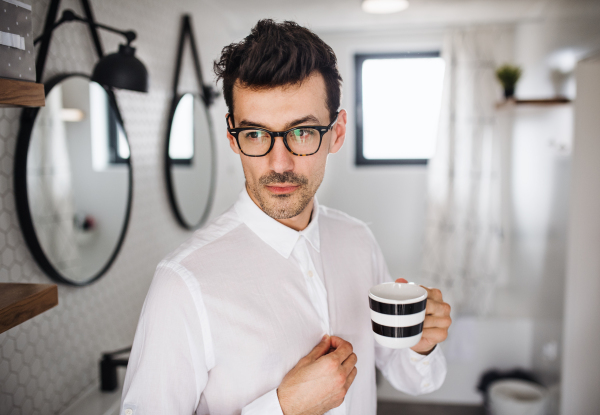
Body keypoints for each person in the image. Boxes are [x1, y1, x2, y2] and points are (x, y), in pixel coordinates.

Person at [120, 19, 451, 415]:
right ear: (232, 136)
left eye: (303, 132)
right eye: (256, 134)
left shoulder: (358, 240)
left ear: (337, 132)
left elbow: (410, 376)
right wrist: (282, 409)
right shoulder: (182, 285)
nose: (280, 164)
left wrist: (421, 342)